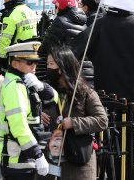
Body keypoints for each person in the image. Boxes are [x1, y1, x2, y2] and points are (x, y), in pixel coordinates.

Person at [79, 6, 134, 179]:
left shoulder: (100, 24)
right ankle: (131, 176)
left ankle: (112, 175)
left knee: (107, 143)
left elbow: (77, 50)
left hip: (106, 94)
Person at [40, 46, 107, 179]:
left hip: (79, 160)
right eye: (47, 64)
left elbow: (102, 120)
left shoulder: (85, 92)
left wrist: (74, 123)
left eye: (51, 64)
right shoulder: (46, 92)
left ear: (62, 67)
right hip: (52, 160)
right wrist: (39, 114)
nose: (48, 68)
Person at [0, 42, 56, 179]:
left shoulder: (25, 81)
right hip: (18, 159)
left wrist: (42, 87)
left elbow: (55, 100)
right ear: (15, 63)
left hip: (24, 157)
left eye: (36, 62)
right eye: (30, 62)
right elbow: (19, 127)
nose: (34, 66)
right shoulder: (15, 86)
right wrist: (38, 155)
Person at [0, 0, 39, 72]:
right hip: (32, 53)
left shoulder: (11, 15)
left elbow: (5, 39)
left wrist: (1, 58)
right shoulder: (30, 11)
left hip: (17, 57)